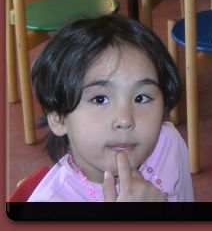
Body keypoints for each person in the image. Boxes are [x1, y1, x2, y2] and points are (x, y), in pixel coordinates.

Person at [28, 14, 194, 202]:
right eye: (100, 99)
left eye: (141, 98)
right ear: (58, 118)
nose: (125, 119)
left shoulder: (168, 144)